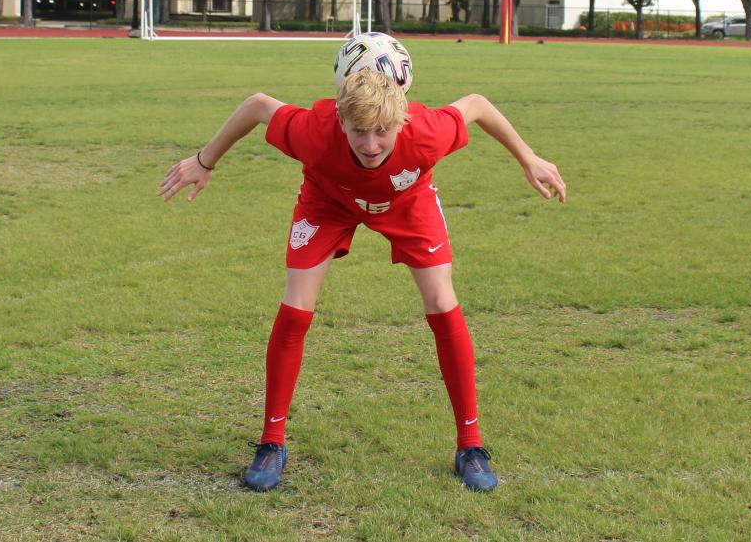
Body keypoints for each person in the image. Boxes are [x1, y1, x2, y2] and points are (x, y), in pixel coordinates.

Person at [156, 68, 566, 492]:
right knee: (296, 308)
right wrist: (205, 161)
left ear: (402, 120)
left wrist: (527, 157)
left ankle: (471, 445)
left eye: (382, 132)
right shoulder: (314, 131)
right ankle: (271, 441)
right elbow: (258, 104)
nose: (371, 145)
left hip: (408, 201)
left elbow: (477, 104)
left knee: (443, 303)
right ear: (339, 120)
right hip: (328, 200)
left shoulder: (426, 131)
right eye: (358, 132)